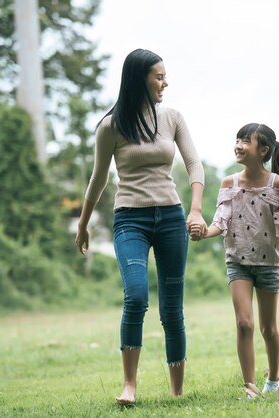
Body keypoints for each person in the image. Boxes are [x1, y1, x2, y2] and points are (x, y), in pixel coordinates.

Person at [75, 48, 207, 404]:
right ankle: (129, 385)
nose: (165, 82)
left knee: (172, 308)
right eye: (159, 76)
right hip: (130, 218)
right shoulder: (111, 125)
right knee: (135, 296)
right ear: (139, 78)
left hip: (171, 218)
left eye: (165, 76)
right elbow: (98, 180)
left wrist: (195, 210)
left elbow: (194, 164)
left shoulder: (173, 117)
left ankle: (177, 390)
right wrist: (83, 224)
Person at [190, 123, 279, 399]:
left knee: (268, 328)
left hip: (269, 263)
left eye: (245, 141)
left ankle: (273, 379)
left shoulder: (277, 183)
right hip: (237, 261)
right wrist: (204, 232)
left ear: (263, 150)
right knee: (244, 324)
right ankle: (250, 386)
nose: (238, 145)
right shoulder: (229, 183)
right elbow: (220, 223)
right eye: (237, 140)